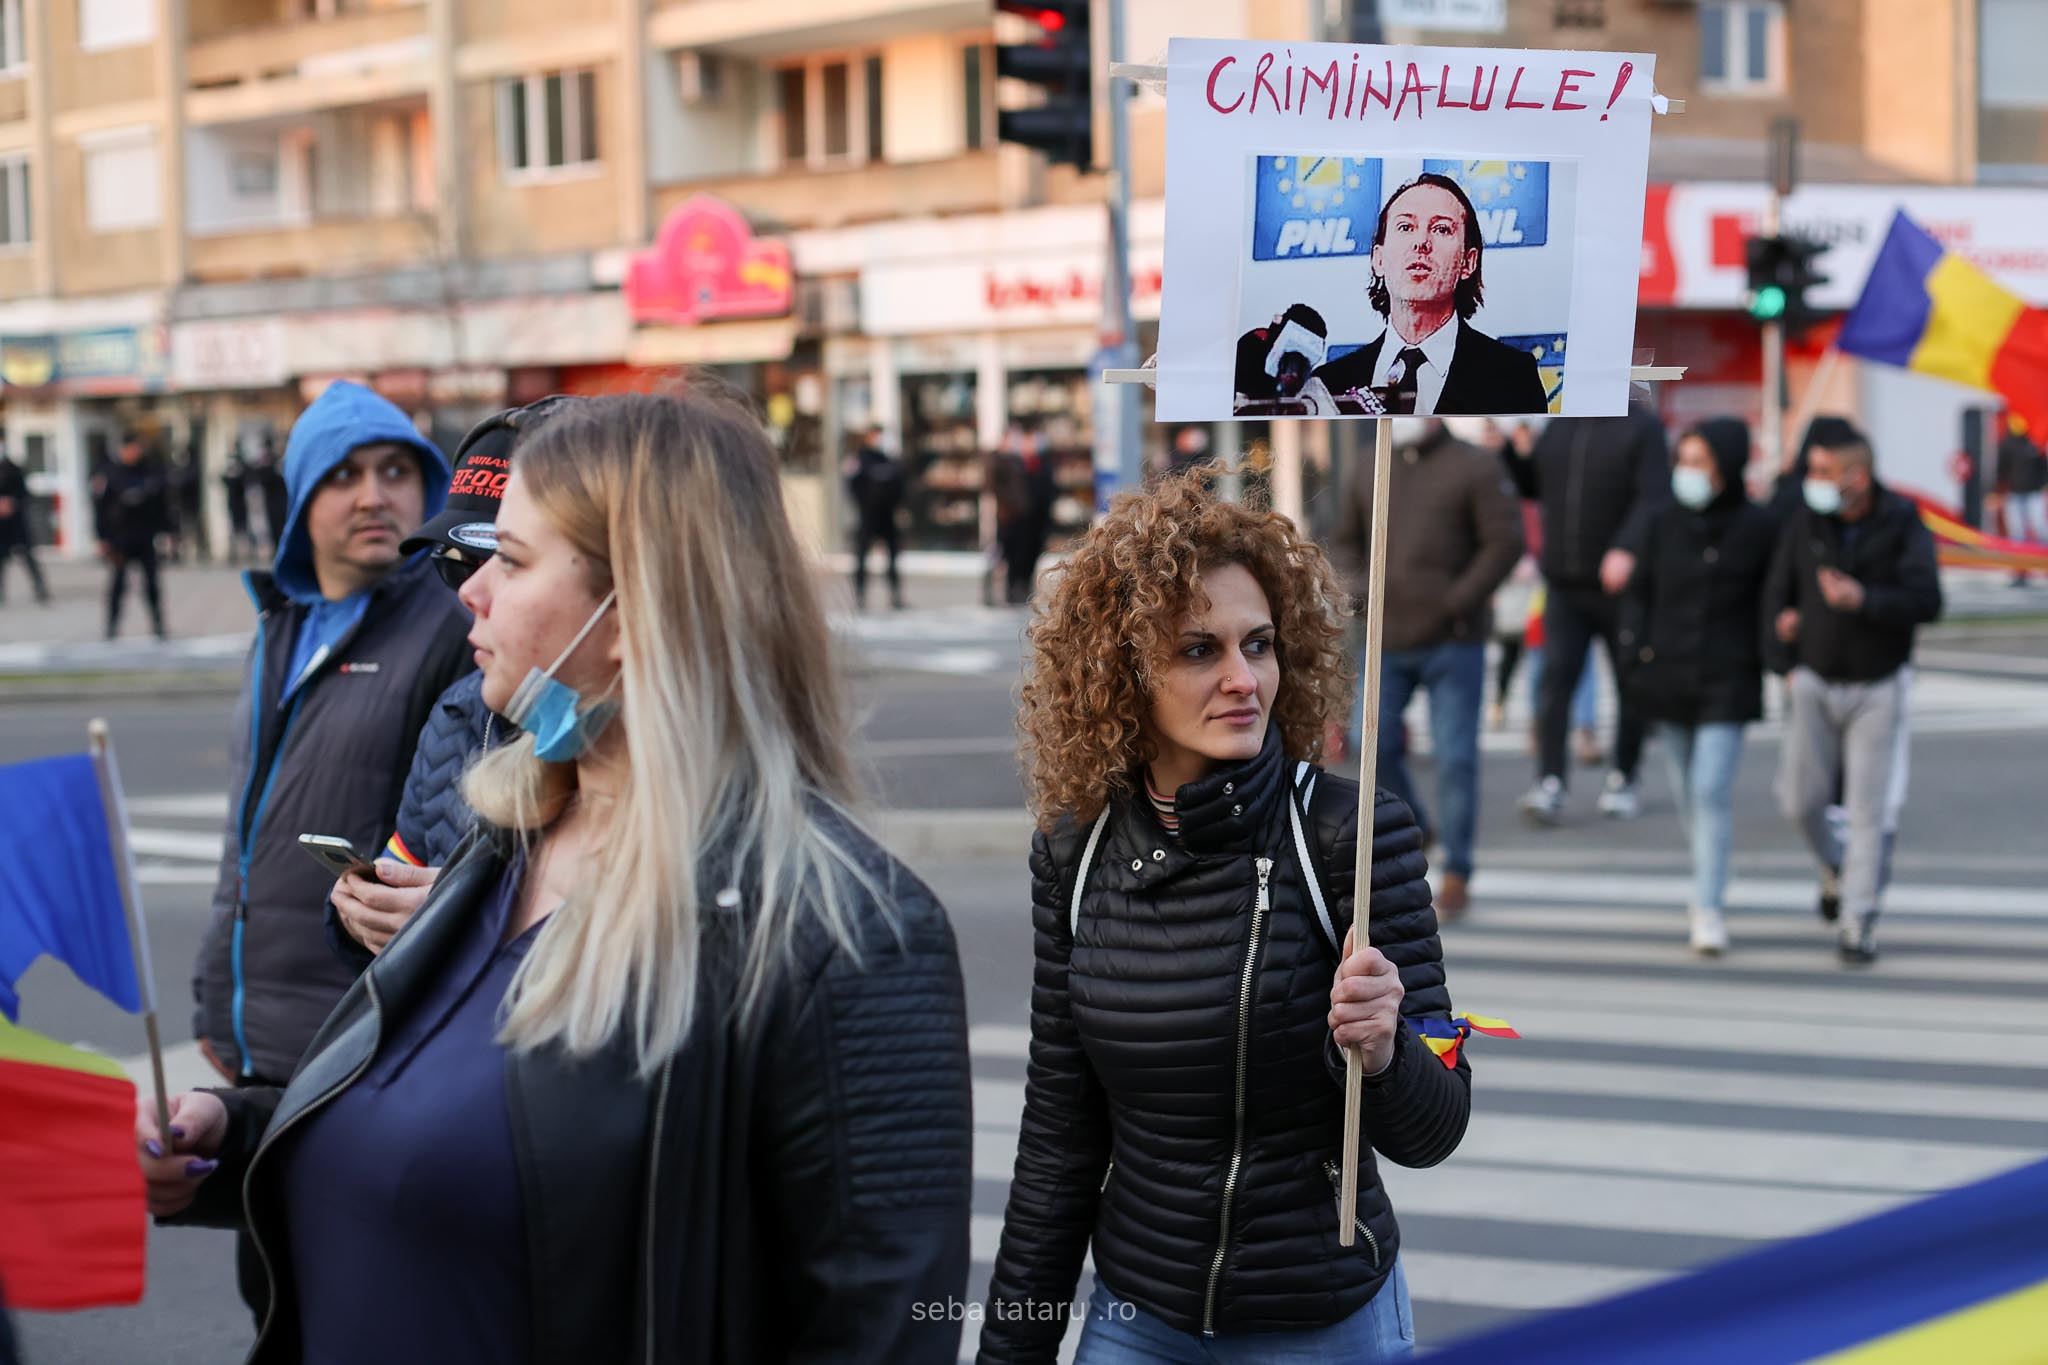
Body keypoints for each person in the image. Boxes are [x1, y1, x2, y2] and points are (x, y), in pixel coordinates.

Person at [141, 393, 973, 1363]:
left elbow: (885, 1324)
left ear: (636, 609)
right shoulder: (505, 838)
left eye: (514, 560)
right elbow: (425, 1121)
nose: (469, 592)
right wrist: (230, 1141)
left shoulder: (842, 930)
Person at [981, 470, 1469, 1363]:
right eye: (1199, 650)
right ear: (1122, 670)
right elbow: (1059, 1137)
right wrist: (1011, 1351)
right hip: (1139, 1322)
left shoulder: (1353, 837)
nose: (1245, 679)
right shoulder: (1074, 854)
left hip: (1323, 1325)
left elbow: (1437, 1125)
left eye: (1261, 644)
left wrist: (1388, 1050)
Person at [188, 381, 469, 1321]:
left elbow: (465, 828)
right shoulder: (282, 624)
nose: (373, 495)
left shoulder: (450, 624)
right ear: (302, 500)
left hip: (363, 1032)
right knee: (272, 1297)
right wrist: (212, 992)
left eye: (397, 471)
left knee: (355, 1311)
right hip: (259, 1044)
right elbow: (249, 830)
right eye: (343, 475)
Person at [327, 397, 580, 966]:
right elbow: (408, 869)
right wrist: (364, 913)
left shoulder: (658, 751)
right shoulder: (459, 710)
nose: (470, 592)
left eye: (508, 560)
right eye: (456, 562)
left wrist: (467, 918)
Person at [1763, 424, 1942, 966]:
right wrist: (1784, 658)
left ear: (1856, 478)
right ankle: (1835, 864)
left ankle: (1857, 920)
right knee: (1798, 801)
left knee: (1868, 809)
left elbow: (1926, 600)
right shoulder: (1806, 521)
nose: (1811, 482)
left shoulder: (1901, 522)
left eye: (1821, 472)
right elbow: (1776, 596)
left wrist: (1864, 598)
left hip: (1877, 684)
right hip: (1814, 680)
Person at [1333, 418, 1522, 915]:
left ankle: (1458, 869)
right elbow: (1345, 541)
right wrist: (1359, 590)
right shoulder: (1368, 463)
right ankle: (1415, 823)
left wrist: (1456, 601)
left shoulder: (1475, 466)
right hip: (1385, 638)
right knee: (1373, 744)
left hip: (1453, 641)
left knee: (1456, 758)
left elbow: (1504, 543)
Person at [1617, 418, 1780, 956]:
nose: (1689, 472)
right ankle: (1706, 873)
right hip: (1669, 675)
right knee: (1690, 794)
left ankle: (1708, 903)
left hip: (1728, 680)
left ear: (1727, 466)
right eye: (1683, 460)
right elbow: (1639, 593)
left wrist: (1780, 654)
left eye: (1700, 461)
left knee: (1710, 790)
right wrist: (1634, 650)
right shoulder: (1663, 521)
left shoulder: (1758, 526)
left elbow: (1772, 596)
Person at [1507, 404, 1671, 824]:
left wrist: (1628, 548)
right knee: (1554, 682)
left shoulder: (1642, 427)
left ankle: (1624, 775)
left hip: (1621, 583)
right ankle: (1550, 781)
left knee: (1629, 680)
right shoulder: (1560, 425)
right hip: (1564, 581)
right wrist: (1515, 452)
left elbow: (1654, 498)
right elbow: (1532, 486)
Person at [1313, 173, 1547, 416]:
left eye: (1441, 229)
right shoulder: (1328, 385)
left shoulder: (1512, 377)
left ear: (1468, 262)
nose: (1421, 242)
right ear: (1378, 259)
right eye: (1405, 227)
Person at [93, 433, 172, 640]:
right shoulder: (111, 475)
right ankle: (111, 626)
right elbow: (100, 508)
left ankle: (158, 624)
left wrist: (167, 532)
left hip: (145, 537)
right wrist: (102, 538)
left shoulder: (151, 472)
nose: (132, 453)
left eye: (136, 449)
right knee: (118, 585)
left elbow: (162, 506)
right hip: (120, 539)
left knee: (152, 584)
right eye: (129, 449)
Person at [991, 428, 1056, 605]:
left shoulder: (1039, 464)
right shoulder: (1005, 462)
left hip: (1034, 520)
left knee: (1029, 555)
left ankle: (1022, 588)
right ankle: (1012, 589)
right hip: (1013, 520)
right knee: (1012, 556)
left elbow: (1047, 491)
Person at [845, 425, 908, 610]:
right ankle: (860, 595)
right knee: (862, 556)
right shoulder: (860, 460)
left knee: (892, 557)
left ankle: (895, 595)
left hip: (887, 516)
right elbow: (852, 486)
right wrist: (865, 503)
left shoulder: (889, 460)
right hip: (868, 516)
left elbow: (900, 486)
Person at [1994, 415, 2047, 586]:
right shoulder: (2006, 445)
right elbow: (2000, 470)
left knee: (2041, 530)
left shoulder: (2032, 444)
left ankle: (2044, 566)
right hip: (2015, 495)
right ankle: (2020, 572)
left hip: (2033, 494)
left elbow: (2043, 468)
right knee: (2017, 535)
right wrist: (1995, 492)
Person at [0, 441, 48, 607]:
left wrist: (11, 503)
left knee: (27, 556)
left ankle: (40, 588)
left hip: (16, 522)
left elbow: (24, 494)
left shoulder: (14, 468)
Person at [221, 449, 260, 566]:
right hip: (232, 506)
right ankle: (234, 553)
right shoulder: (229, 475)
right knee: (233, 530)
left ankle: (249, 552)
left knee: (245, 529)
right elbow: (223, 480)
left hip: (242, 506)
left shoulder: (242, 473)